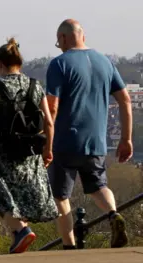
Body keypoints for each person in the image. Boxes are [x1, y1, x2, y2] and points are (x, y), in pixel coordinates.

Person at [46, 19, 133, 249]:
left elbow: (52, 107)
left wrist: (46, 140)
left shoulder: (59, 64)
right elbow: (125, 99)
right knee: (98, 187)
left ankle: (69, 247)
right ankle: (113, 214)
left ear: (64, 38)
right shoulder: (105, 62)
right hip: (96, 140)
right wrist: (126, 138)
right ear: (82, 36)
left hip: (64, 141)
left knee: (61, 197)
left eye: (59, 42)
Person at [0, 37, 59, 254]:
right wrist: (48, 149)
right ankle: (19, 234)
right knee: (24, 192)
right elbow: (49, 122)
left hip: (3, 152)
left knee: (2, 195)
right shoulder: (35, 85)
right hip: (30, 150)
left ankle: (21, 231)